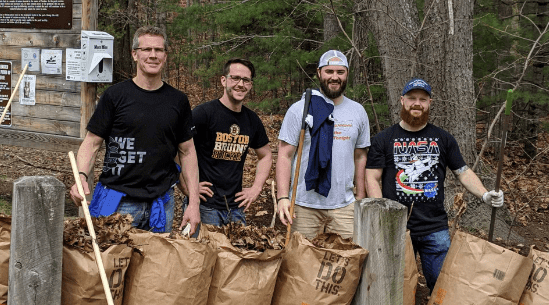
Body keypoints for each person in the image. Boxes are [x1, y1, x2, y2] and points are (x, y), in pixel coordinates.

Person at [365, 77, 504, 293]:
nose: (417, 103)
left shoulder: (443, 139)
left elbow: (463, 171)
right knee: (396, 288)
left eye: (423, 98)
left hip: (435, 226)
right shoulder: (384, 138)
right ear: (402, 100)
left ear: (430, 102)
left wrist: (485, 195)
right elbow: (372, 178)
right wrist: (382, 214)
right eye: (412, 98)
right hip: (398, 225)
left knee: (441, 286)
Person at [70, 25, 201, 234]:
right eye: (146, 49)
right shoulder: (115, 96)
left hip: (161, 204)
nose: (153, 55)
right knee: (110, 264)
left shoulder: (178, 101)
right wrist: (81, 178)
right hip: (118, 202)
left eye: (159, 50)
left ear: (165, 56)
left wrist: (194, 204)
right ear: (134, 54)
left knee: (156, 266)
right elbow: (91, 143)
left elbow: (188, 152)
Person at [275, 50, 370, 241]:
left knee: (346, 266)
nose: (334, 77)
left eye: (340, 72)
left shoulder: (358, 112)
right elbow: (284, 155)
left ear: (347, 74)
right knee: (300, 265)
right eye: (329, 71)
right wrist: (282, 197)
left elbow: (360, 156)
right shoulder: (300, 109)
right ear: (319, 73)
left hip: (345, 208)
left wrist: (360, 197)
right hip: (303, 207)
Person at [183, 58, 272, 226]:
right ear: (223, 80)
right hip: (205, 207)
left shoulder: (252, 120)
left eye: (246, 80)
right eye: (235, 78)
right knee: (201, 252)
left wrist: (256, 188)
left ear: (250, 85)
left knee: (236, 252)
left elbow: (266, 155)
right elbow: (180, 150)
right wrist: (187, 188)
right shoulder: (203, 114)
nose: (240, 84)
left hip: (236, 208)